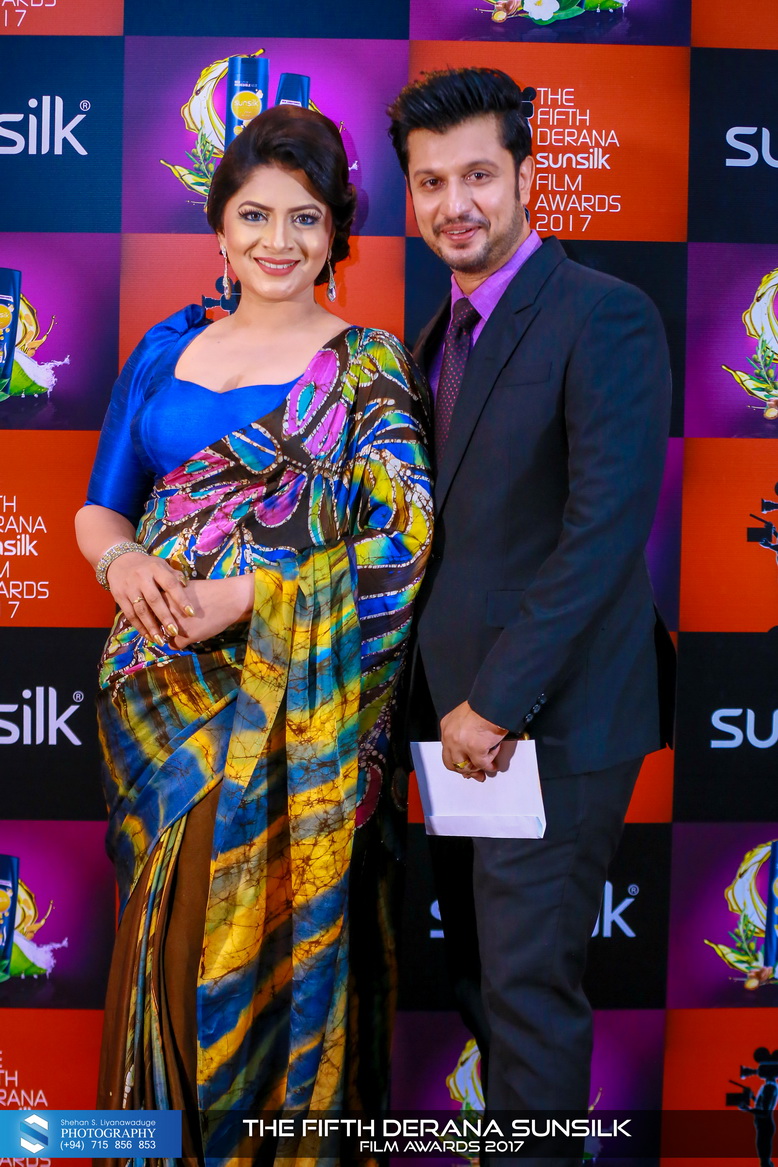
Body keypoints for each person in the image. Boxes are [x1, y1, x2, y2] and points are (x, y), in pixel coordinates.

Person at [75, 105, 433, 1166]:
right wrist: (123, 562)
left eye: (305, 218)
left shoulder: (366, 368)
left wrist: (249, 598)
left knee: (239, 950)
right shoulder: (164, 350)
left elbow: (405, 537)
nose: (279, 241)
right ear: (219, 228)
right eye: (255, 216)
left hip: (288, 710)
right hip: (153, 694)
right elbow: (101, 507)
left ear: (337, 236)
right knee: (159, 953)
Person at [388, 67, 674, 1163]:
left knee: (526, 994)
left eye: (477, 175)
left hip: (540, 724)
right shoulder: (434, 336)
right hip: (455, 730)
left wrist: (496, 703)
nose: (453, 204)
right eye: (430, 182)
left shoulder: (602, 314)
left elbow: (603, 532)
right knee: (480, 980)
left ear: (524, 175)